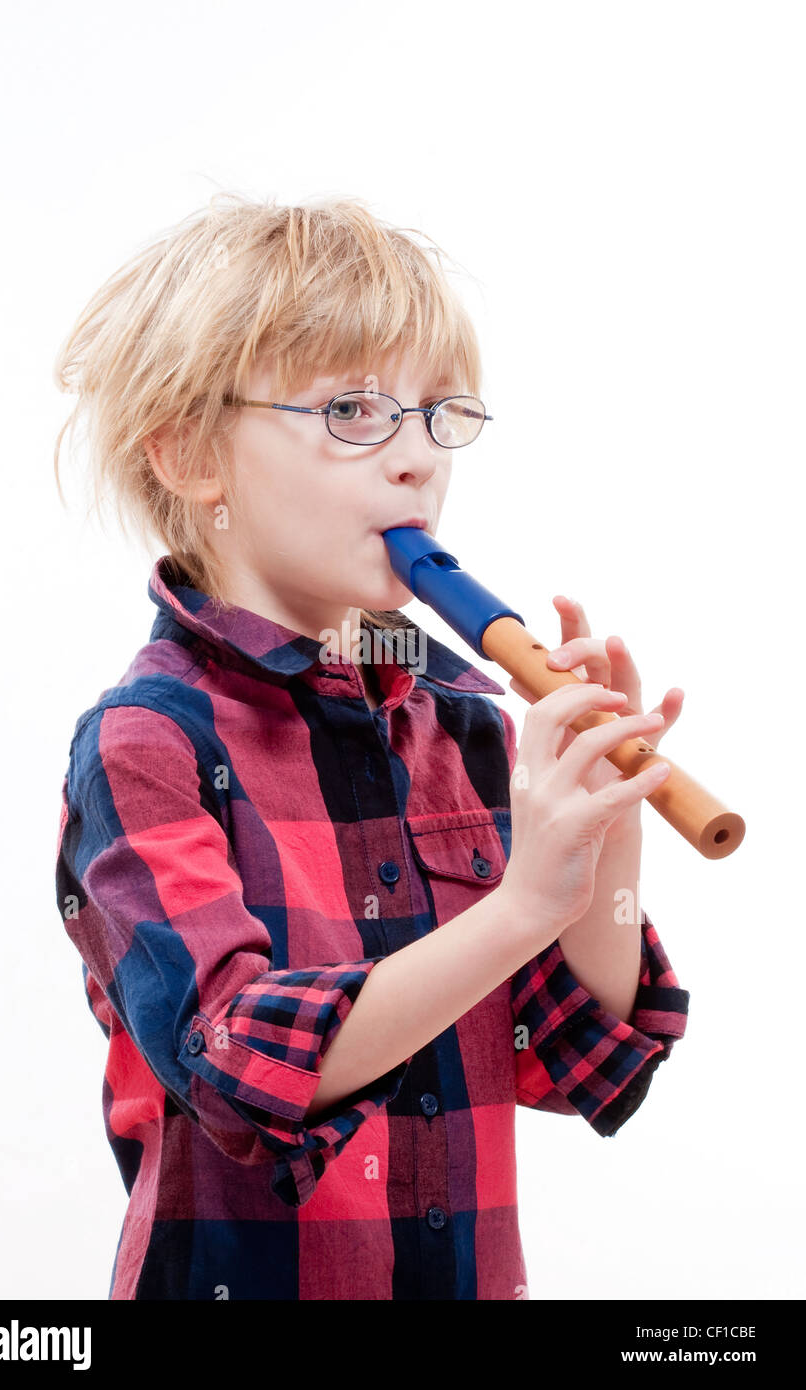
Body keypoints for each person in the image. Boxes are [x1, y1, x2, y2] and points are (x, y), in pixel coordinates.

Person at [53, 193, 689, 1301]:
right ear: (192, 453)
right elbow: (242, 1066)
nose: (413, 462)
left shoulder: (462, 719)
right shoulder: (143, 741)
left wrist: (603, 850)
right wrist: (521, 903)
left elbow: (565, 1049)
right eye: (352, 411)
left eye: (435, 414)